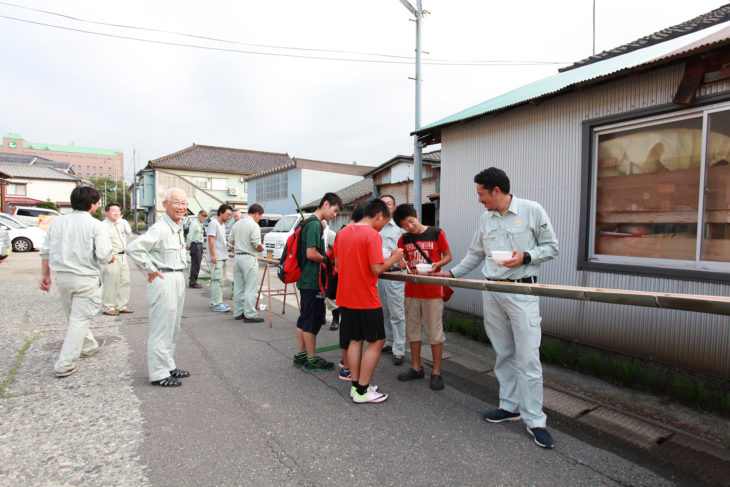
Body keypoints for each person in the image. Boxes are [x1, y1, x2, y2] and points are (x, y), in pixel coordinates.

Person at [435, 167, 559, 448]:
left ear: (497, 191)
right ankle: (510, 406)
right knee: (503, 353)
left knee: (528, 357)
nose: (479, 200)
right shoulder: (486, 218)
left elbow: (552, 248)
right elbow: (476, 253)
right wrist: (452, 274)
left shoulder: (531, 210)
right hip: (491, 291)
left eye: (481, 194)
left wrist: (525, 256)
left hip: (521, 290)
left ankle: (535, 419)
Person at [40, 186, 114, 378]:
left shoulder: (57, 223)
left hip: (63, 278)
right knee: (79, 320)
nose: (97, 207)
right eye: (97, 203)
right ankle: (64, 364)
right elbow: (104, 255)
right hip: (86, 278)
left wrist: (45, 275)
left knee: (74, 318)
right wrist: (111, 257)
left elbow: (46, 250)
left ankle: (89, 345)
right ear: (92, 204)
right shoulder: (96, 225)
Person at [335, 199, 403, 403]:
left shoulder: (344, 232)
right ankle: (362, 390)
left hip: (346, 296)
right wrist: (395, 257)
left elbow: (338, 266)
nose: (383, 227)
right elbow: (377, 269)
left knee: (355, 340)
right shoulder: (372, 235)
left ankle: (356, 386)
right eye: (385, 221)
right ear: (379, 215)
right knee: (377, 341)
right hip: (365, 297)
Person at [126, 188, 191, 387]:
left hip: (177, 276)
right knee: (161, 328)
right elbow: (134, 248)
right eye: (176, 202)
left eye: (184, 203)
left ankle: (168, 365)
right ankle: (158, 373)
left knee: (173, 327)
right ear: (165, 205)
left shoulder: (177, 226)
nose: (181, 207)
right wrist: (150, 269)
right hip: (164, 278)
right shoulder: (161, 228)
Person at [393, 203, 452, 390]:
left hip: (433, 290)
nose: (410, 227)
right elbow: (404, 262)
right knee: (413, 331)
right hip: (411, 290)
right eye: (405, 225)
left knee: (435, 333)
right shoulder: (404, 239)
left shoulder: (436, 232)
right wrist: (401, 263)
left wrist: (437, 264)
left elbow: (448, 256)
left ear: (416, 215)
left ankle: (436, 372)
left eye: (411, 222)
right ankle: (416, 368)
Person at [292, 192, 342, 372]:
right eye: (334, 211)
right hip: (313, 282)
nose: (334, 215)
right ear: (326, 204)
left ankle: (301, 355)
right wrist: (327, 261)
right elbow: (311, 253)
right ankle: (311, 358)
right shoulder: (314, 224)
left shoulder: (310, 223)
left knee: (304, 319)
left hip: (306, 280)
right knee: (311, 321)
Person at [376, 195, 407, 365]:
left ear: (394, 207)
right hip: (378, 274)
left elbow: (406, 251)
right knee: (383, 310)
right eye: (383, 204)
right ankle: (388, 341)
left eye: (389, 204)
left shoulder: (400, 227)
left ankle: (399, 348)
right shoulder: (376, 227)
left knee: (397, 312)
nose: (386, 207)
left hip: (395, 274)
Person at [229, 204, 265, 323]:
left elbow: (230, 241)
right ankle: (250, 314)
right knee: (250, 288)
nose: (259, 219)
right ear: (256, 214)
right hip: (249, 258)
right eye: (260, 217)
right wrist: (261, 248)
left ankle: (238, 312)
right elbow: (256, 244)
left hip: (237, 257)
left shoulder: (237, 224)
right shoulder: (254, 225)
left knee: (239, 287)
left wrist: (240, 245)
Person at [101, 202, 133, 316]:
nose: (116, 213)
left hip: (122, 256)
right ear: (106, 213)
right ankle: (108, 306)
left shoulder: (121, 224)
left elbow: (129, 232)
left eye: (118, 211)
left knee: (124, 281)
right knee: (111, 282)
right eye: (113, 210)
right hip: (111, 257)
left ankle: (121, 305)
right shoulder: (103, 226)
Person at [207, 204, 233, 312]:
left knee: (221, 280)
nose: (229, 217)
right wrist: (213, 255)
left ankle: (216, 301)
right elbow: (210, 239)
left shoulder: (222, 225)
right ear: (220, 213)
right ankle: (217, 304)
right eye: (227, 214)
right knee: (217, 280)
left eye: (230, 215)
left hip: (223, 256)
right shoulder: (214, 223)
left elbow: (220, 238)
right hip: (217, 257)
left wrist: (228, 244)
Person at [186, 210, 207, 288]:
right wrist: (188, 245)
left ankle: (193, 279)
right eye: (202, 216)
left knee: (196, 264)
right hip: (195, 245)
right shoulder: (195, 223)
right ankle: (193, 282)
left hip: (199, 245)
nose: (204, 218)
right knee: (195, 264)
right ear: (199, 215)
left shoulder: (200, 224)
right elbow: (190, 235)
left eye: (205, 217)